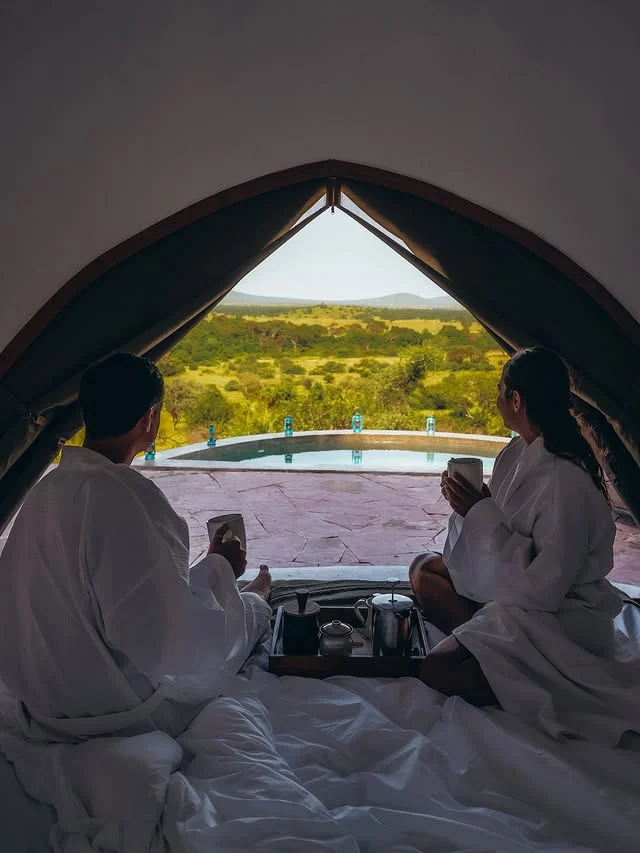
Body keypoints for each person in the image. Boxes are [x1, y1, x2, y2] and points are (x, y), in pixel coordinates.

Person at [0, 352, 272, 740]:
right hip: (113, 713)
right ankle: (258, 600)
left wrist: (214, 565)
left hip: (42, 704)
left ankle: (240, 589)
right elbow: (170, 643)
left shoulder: (47, 490)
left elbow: (129, 589)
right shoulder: (124, 497)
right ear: (149, 418)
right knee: (240, 621)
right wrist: (225, 570)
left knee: (208, 587)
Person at [411, 347, 640, 746]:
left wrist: (479, 511)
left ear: (516, 399)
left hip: (555, 615)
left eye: (501, 390)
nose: (497, 399)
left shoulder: (564, 481)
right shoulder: (518, 451)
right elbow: (504, 522)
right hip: (512, 590)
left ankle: (521, 672)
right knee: (423, 569)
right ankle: (486, 645)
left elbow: (545, 587)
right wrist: (470, 505)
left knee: (437, 670)